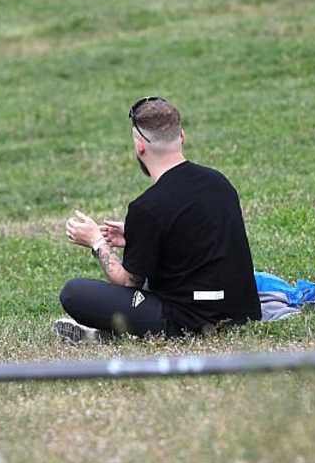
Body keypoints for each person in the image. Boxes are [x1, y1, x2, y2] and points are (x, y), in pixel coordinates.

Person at [55, 97, 261, 342]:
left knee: (74, 292)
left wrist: (97, 242)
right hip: (243, 311)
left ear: (139, 146)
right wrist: (136, 235)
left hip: (192, 320)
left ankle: (114, 334)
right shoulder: (219, 182)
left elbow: (127, 283)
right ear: (182, 137)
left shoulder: (148, 207)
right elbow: (193, 237)